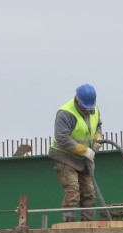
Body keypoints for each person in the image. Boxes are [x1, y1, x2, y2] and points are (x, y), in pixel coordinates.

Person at [49, 84, 103, 222]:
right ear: (77, 100)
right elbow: (62, 138)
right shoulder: (65, 113)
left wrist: (98, 138)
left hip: (84, 160)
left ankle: (88, 225)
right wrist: (84, 150)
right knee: (73, 190)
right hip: (65, 157)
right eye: (85, 106)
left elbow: (98, 125)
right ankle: (69, 226)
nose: (88, 110)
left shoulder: (94, 109)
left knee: (89, 192)